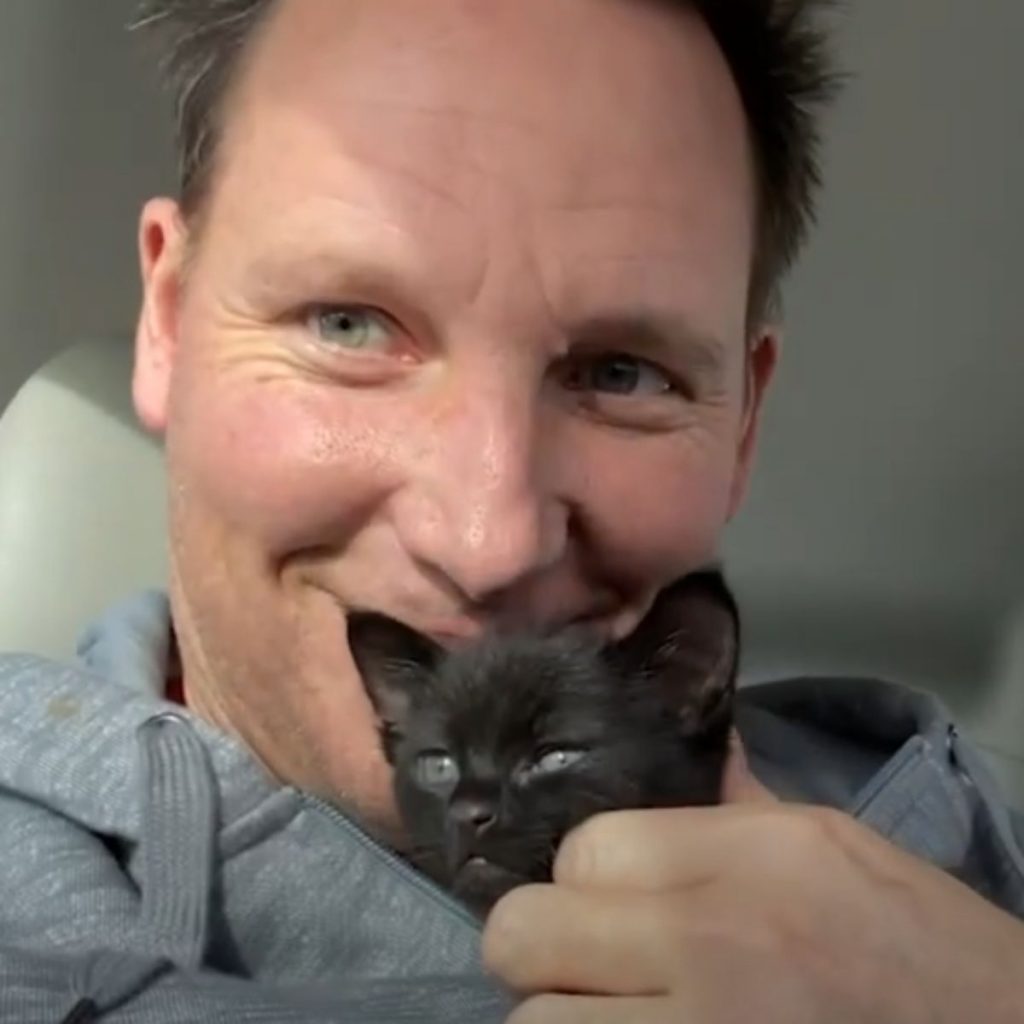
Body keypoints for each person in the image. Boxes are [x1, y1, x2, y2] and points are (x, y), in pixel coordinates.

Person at [1, 0, 1022, 1021]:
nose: (488, 542)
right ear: (169, 325)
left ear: (744, 422)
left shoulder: (954, 807)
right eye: (349, 325)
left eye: (622, 374)